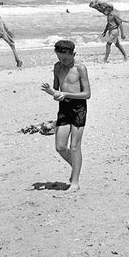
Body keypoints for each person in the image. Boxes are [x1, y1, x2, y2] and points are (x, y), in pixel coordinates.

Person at [41, 40, 91, 193]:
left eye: (66, 59)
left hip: (78, 108)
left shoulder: (80, 68)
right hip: (63, 107)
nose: (63, 61)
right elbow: (57, 90)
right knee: (60, 147)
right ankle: (76, 168)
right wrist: (51, 92)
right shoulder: (57, 67)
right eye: (60, 58)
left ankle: (74, 182)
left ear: (72, 54)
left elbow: (87, 94)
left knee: (74, 146)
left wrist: (66, 94)